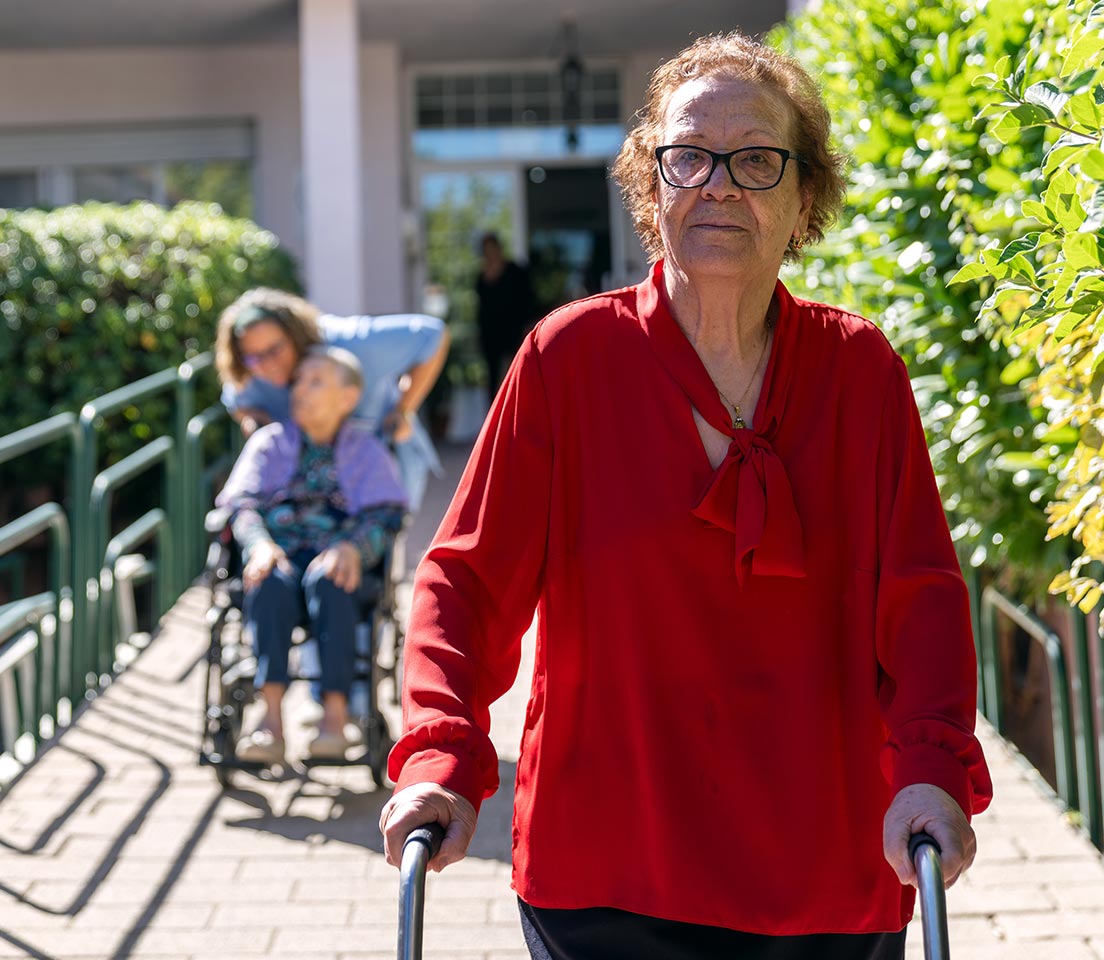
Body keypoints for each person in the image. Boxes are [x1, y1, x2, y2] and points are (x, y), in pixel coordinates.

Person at [379, 32, 991, 960]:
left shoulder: (859, 369)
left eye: (755, 160)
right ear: (650, 185)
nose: (719, 183)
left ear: (804, 199)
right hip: (610, 864)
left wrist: (934, 769)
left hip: (825, 870)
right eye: (689, 156)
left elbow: (922, 600)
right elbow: (465, 582)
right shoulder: (567, 359)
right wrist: (440, 753)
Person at [215, 346, 407, 763]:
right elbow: (240, 507)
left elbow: (387, 514)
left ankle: (334, 721)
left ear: (348, 397)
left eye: (315, 381)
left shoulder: (368, 450)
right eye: (298, 380)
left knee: (331, 578)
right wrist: (259, 545)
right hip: (279, 555)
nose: (300, 389)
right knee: (267, 580)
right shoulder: (269, 443)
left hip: (339, 561)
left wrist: (353, 547)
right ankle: (270, 723)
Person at [214, 288, 450, 512]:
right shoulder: (250, 374)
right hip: (306, 489)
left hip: (376, 471)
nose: (269, 364)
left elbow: (432, 334)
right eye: (254, 358)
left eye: (275, 350)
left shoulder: (352, 343)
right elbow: (236, 400)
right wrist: (252, 418)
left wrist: (404, 408)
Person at [474, 232, 536, 397]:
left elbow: (528, 302)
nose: (490, 254)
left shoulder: (515, 272)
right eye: (486, 250)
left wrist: (527, 329)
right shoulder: (481, 278)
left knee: (516, 375)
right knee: (494, 381)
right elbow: (481, 310)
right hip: (491, 336)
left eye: (492, 249)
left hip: (514, 333)